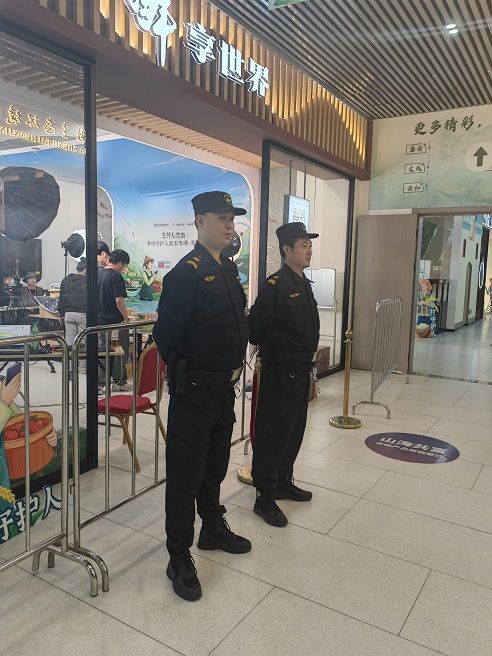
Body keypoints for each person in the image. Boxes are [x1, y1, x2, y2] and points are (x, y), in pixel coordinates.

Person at [153, 191, 251, 602]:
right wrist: (187, 374)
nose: (229, 225)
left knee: (214, 467)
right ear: (199, 221)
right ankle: (178, 555)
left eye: (232, 218)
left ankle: (212, 527)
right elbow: (165, 336)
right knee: (185, 477)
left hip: (224, 391)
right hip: (194, 393)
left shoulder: (226, 269)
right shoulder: (186, 273)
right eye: (222, 217)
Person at [248, 222, 320, 528]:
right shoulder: (275, 285)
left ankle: (282, 481)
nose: (309, 250)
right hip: (280, 372)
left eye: (310, 245)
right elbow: (254, 329)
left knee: (293, 431)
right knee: (273, 434)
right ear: (286, 250)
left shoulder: (303, 283)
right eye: (303, 245)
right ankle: (264, 496)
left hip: (301, 371)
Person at [97, 249, 131, 394]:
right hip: (115, 322)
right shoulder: (116, 277)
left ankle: (99, 384)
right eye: (124, 265)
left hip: (100, 322)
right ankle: (119, 382)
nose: (123, 268)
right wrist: (126, 318)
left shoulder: (98, 274)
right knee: (119, 352)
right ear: (121, 263)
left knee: (102, 353)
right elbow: (119, 301)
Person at [58, 258, 87, 346]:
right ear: (86, 269)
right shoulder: (88, 281)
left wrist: (61, 315)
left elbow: (61, 299)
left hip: (68, 314)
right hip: (83, 314)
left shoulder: (66, 280)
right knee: (82, 344)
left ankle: (70, 355)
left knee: (70, 345)